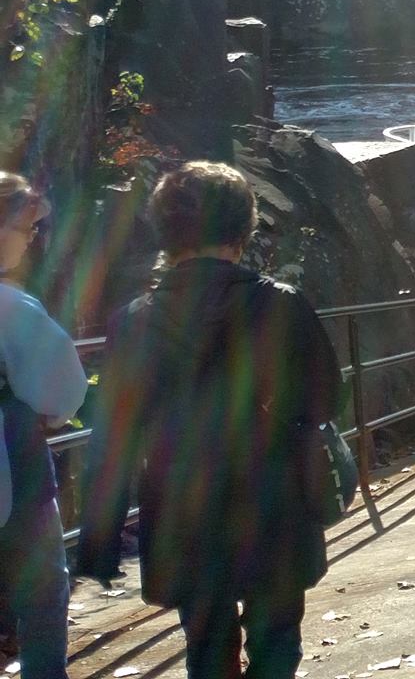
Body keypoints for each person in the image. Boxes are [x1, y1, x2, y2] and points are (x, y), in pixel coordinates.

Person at [78, 162, 342, 679]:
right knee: (276, 637)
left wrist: (100, 537)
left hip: (182, 505)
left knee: (205, 644)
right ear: (243, 229)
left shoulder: (135, 320)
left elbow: (116, 435)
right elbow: (325, 401)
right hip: (273, 497)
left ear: (165, 231)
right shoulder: (281, 305)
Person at [0, 175, 87, 679]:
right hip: (14, 467)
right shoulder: (12, 306)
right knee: (42, 589)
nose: (32, 238)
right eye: (26, 227)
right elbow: (62, 392)